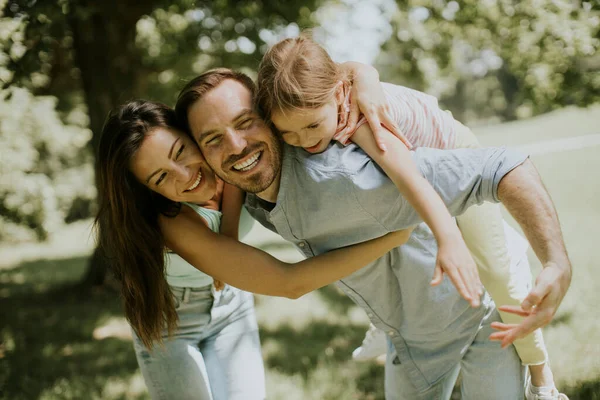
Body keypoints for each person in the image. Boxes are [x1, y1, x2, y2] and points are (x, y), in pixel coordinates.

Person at [174, 68, 572, 399]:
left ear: (269, 120)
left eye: (245, 123)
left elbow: (502, 164)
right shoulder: (251, 180)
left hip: (481, 324)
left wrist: (556, 260)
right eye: (213, 139)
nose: (237, 145)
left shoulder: (349, 174)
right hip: (411, 342)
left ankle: (543, 383)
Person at [95, 100, 414, 400]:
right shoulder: (173, 222)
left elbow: (309, 83)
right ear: (148, 190)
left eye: (180, 152)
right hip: (171, 322)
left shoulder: (227, 158)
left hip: (231, 306)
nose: (185, 175)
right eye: (161, 176)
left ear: (194, 135)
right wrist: (393, 237)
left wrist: (364, 78)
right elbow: (288, 282)